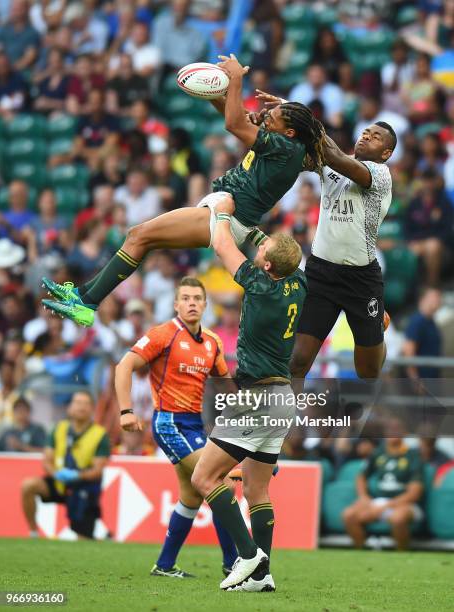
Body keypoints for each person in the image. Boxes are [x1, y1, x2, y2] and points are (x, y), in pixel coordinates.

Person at [40, 54, 325, 326]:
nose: (265, 116)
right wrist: (212, 91)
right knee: (141, 238)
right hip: (226, 206)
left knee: (139, 236)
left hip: (229, 215)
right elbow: (236, 116)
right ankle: (84, 298)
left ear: (289, 133)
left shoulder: (285, 147)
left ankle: (86, 303)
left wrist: (235, 79)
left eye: (272, 117)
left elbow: (233, 122)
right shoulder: (285, 145)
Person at [191, 199, 307, 592]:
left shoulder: (259, 286)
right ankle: (264, 575)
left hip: (256, 397)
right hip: (284, 398)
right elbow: (265, 244)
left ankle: (247, 554)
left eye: (262, 253)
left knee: (204, 477)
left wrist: (222, 212)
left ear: (268, 266)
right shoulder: (299, 281)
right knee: (257, 488)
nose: (257, 252)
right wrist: (255, 229)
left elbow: (223, 244)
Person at [254, 88, 395, 380]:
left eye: (376, 136)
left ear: (386, 153)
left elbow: (331, 154)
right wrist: (278, 122)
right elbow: (307, 151)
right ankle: (285, 425)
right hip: (321, 272)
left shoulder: (380, 174)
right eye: (366, 131)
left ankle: (378, 320)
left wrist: (299, 113)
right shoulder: (330, 164)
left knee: (367, 372)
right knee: (297, 362)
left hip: (361, 278)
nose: (367, 135)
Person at [115, 276, 237, 578]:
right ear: (176, 304)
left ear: (206, 304)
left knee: (192, 496)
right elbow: (124, 366)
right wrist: (126, 411)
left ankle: (165, 565)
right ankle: (234, 562)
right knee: (218, 481)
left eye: (197, 298)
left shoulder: (212, 342)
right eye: (186, 298)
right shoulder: (163, 334)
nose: (192, 303)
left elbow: (227, 389)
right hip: (169, 422)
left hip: (195, 425)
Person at [21, 391, 110, 539]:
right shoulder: (59, 428)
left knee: (83, 539)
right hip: (59, 482)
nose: (81, 407)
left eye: (86, 404)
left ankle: (100, 536)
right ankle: (33, 533)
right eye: (77, 403)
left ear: (92, 409)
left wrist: (77, 475)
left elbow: (98, 470)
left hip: (83, 487)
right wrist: (56, 474)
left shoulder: (100, 434)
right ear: (69, 408)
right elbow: (46, 460)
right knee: (28, 485)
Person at [342, 418, 424, 551]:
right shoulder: (378, 452)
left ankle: (402, 554)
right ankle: (360, 552)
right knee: (349, 514)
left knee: (398, 518)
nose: (393, 433)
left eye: (396, 429)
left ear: (404, 432)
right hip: (379, 501)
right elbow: (361, 477)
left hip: (404, 503)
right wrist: (364, 498)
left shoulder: (412, 455)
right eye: (389, 430)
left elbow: (415, 493)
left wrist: (387, 506)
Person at [402, 288, 442, 380]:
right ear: (422, 300)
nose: (437, 300)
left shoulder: (431, 322)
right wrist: (415, 381)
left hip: (431, 380)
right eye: (433, 298)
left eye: (438, 298)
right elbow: (408, 352)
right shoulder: (417, 321)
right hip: (420, 381)